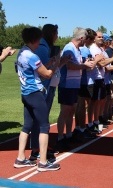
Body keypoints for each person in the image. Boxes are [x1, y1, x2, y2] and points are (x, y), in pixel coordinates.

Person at [14, 27, 60, 172]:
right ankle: (43, 162)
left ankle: (20, 158)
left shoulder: (22, 52)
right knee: (44, 126)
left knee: (27, 126)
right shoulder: (32, 56)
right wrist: (56, 62)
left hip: (25, 93)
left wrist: (50, 61)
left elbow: (36, 69)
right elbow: (46, 74)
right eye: (39, 39)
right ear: (35, 40)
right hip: (35, 93)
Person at [29, 24, 66, 162]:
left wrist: (60, 62)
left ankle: (40, 146)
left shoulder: (45, 47)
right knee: (40, 119)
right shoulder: (43, 48)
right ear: (51, 34)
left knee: (42, 118)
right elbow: (46, 71)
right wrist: (56, 61)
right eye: (56, 33)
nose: (57, 36)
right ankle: (36, 149)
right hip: (43, 87)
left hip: (48, 86)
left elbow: (52, 68)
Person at [55, 27, 94, 150]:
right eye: (86, 38)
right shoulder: (69, 48)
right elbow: (70, 66)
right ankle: (60, 138)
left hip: (74, 84)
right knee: (65, 111)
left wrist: (85, 64)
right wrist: (84, 65)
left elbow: (77, 65)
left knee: (71, 110)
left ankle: (68, 134)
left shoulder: (77, 49)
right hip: (66, 84)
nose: (86, 40)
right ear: (81, 38)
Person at [73, 28, 102, 140]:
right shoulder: (84, 50)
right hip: (85, 80)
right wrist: (96, 60)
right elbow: (88, 66)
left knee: (83, 106)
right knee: (82, 106)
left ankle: (81, 128)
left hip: (86, 80)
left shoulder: (84, 49)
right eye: (92, 39)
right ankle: (80, 128)